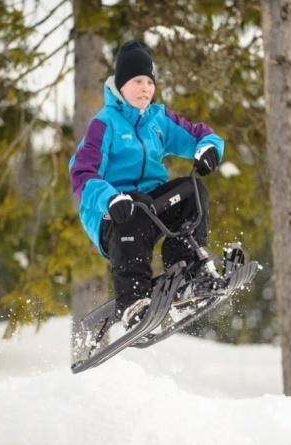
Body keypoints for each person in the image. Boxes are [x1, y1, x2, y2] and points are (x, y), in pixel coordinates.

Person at [69, 40, 224, 329]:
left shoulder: (158, 119)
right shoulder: (104, 124)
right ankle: (133, 301)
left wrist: (209, 148)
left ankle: (186, 272)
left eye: (150, 82)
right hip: (112, 215)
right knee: (134, 209)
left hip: (150, 205)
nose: (146, 88)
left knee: (194, 193)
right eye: (138, 81)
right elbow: (81, 173)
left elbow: (200, 134)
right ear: (121, 84)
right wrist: (110, 198)